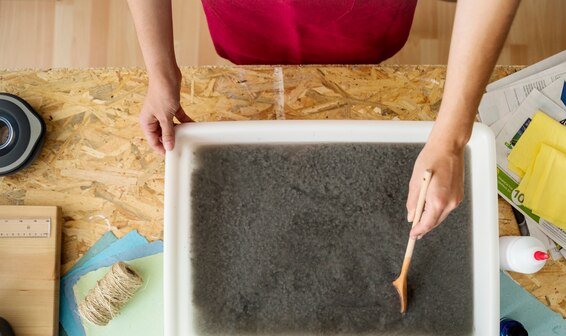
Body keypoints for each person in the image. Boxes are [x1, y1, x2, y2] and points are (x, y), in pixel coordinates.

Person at [127, 0, 520, 238]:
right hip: (249, 19)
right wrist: (160, 71)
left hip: (363, 19)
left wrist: (450, 139)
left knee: (364, 52)